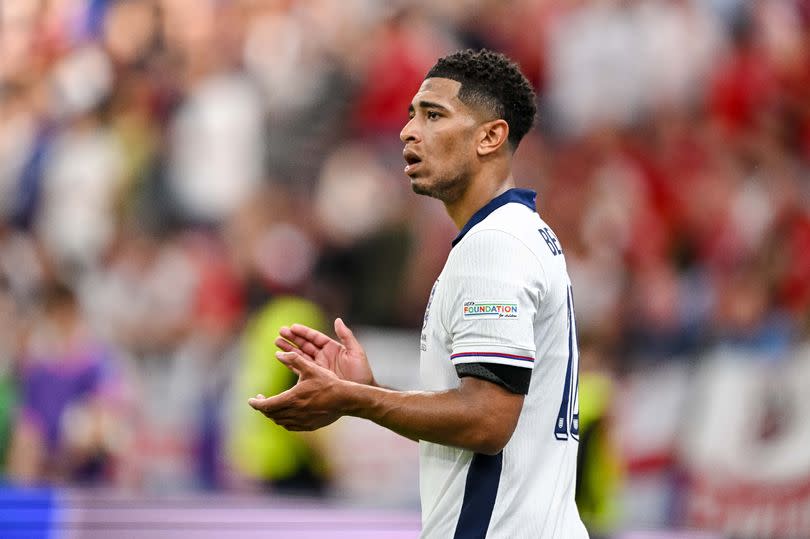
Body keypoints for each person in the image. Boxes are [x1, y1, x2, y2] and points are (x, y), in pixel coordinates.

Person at [249, 49, 589, 538]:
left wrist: (358, 400)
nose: (409, 131)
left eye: (433, 115)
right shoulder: (517, 234)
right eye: (411, 115)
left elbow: (487, 421)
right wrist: (367, 390)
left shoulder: (494, 247)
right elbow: (478, 408)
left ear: (491, 136)